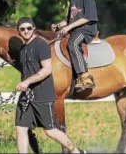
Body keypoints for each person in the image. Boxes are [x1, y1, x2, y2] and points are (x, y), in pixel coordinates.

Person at [15, 17, 87, 153]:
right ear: (18, 31)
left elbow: (47, 69)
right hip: (27, 95)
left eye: (28, 28)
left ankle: (75, 151)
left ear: (33, 28)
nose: (26, 31)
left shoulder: (40, 45)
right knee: (21, 128)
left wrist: (27, 81)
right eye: (22, 29)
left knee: (50, 130)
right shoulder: (23, 49)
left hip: (42, 94)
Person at [51, 0, 98, 90]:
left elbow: (88, 17)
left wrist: (68, 27)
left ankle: (85, 77)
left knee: (73, 43)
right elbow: (70, 18)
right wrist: (60, 26)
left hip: (87, 29)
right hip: (76, 29)